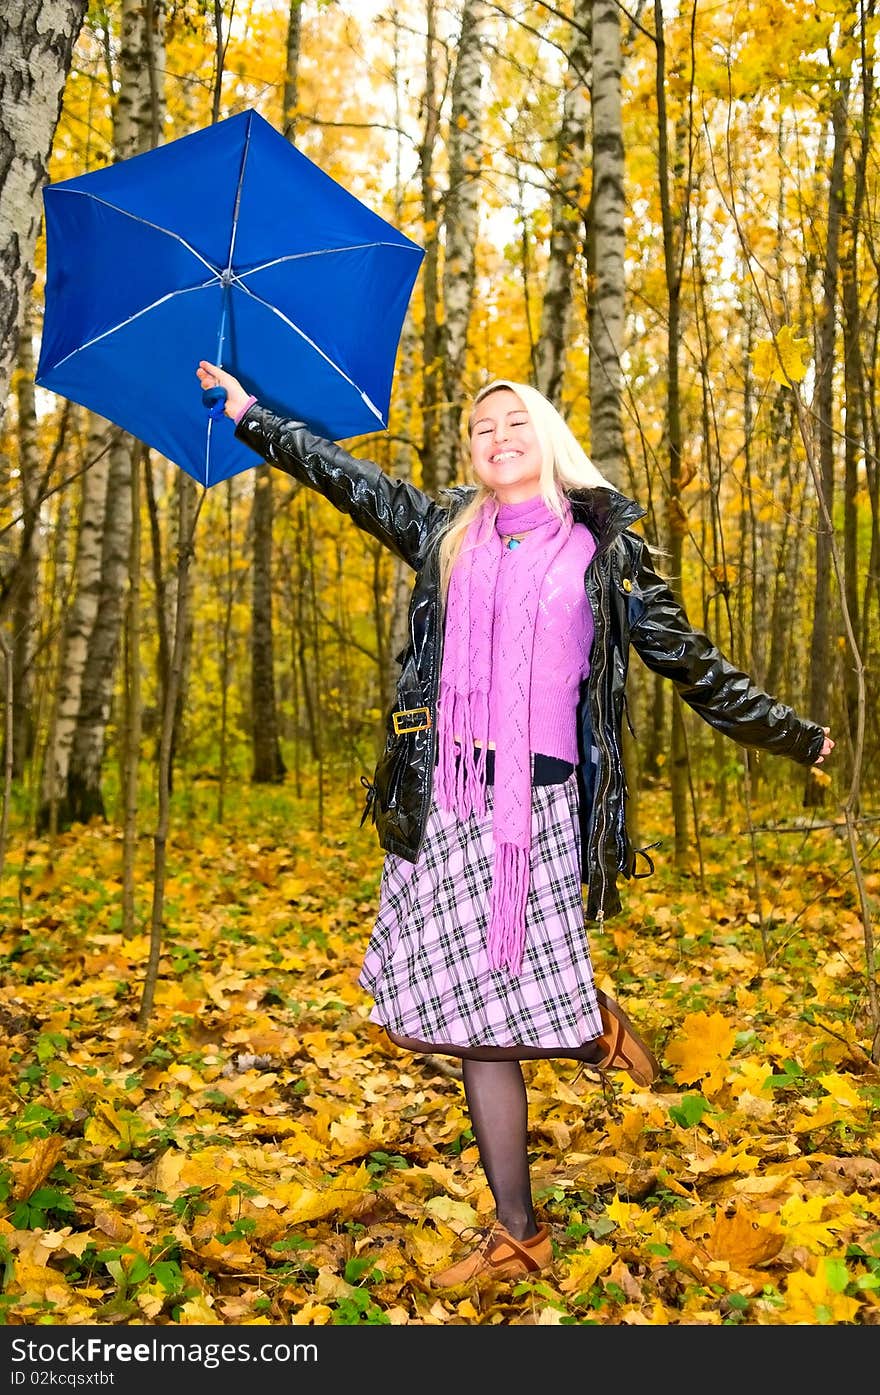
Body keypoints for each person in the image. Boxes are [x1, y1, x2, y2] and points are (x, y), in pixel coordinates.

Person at [195, 359, 834, 1287]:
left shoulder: (603, 553)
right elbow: (346, 477)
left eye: (513, 424)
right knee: (463, 1018)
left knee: (488, 1020)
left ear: (548, 440)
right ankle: (563, 1085)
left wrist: (793, 734)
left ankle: (533, 1166)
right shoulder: (447, 532)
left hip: (537, 807)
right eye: (481, 430)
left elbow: (691, 661)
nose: (496, 438)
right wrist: (255, 413)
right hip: (449, 795)